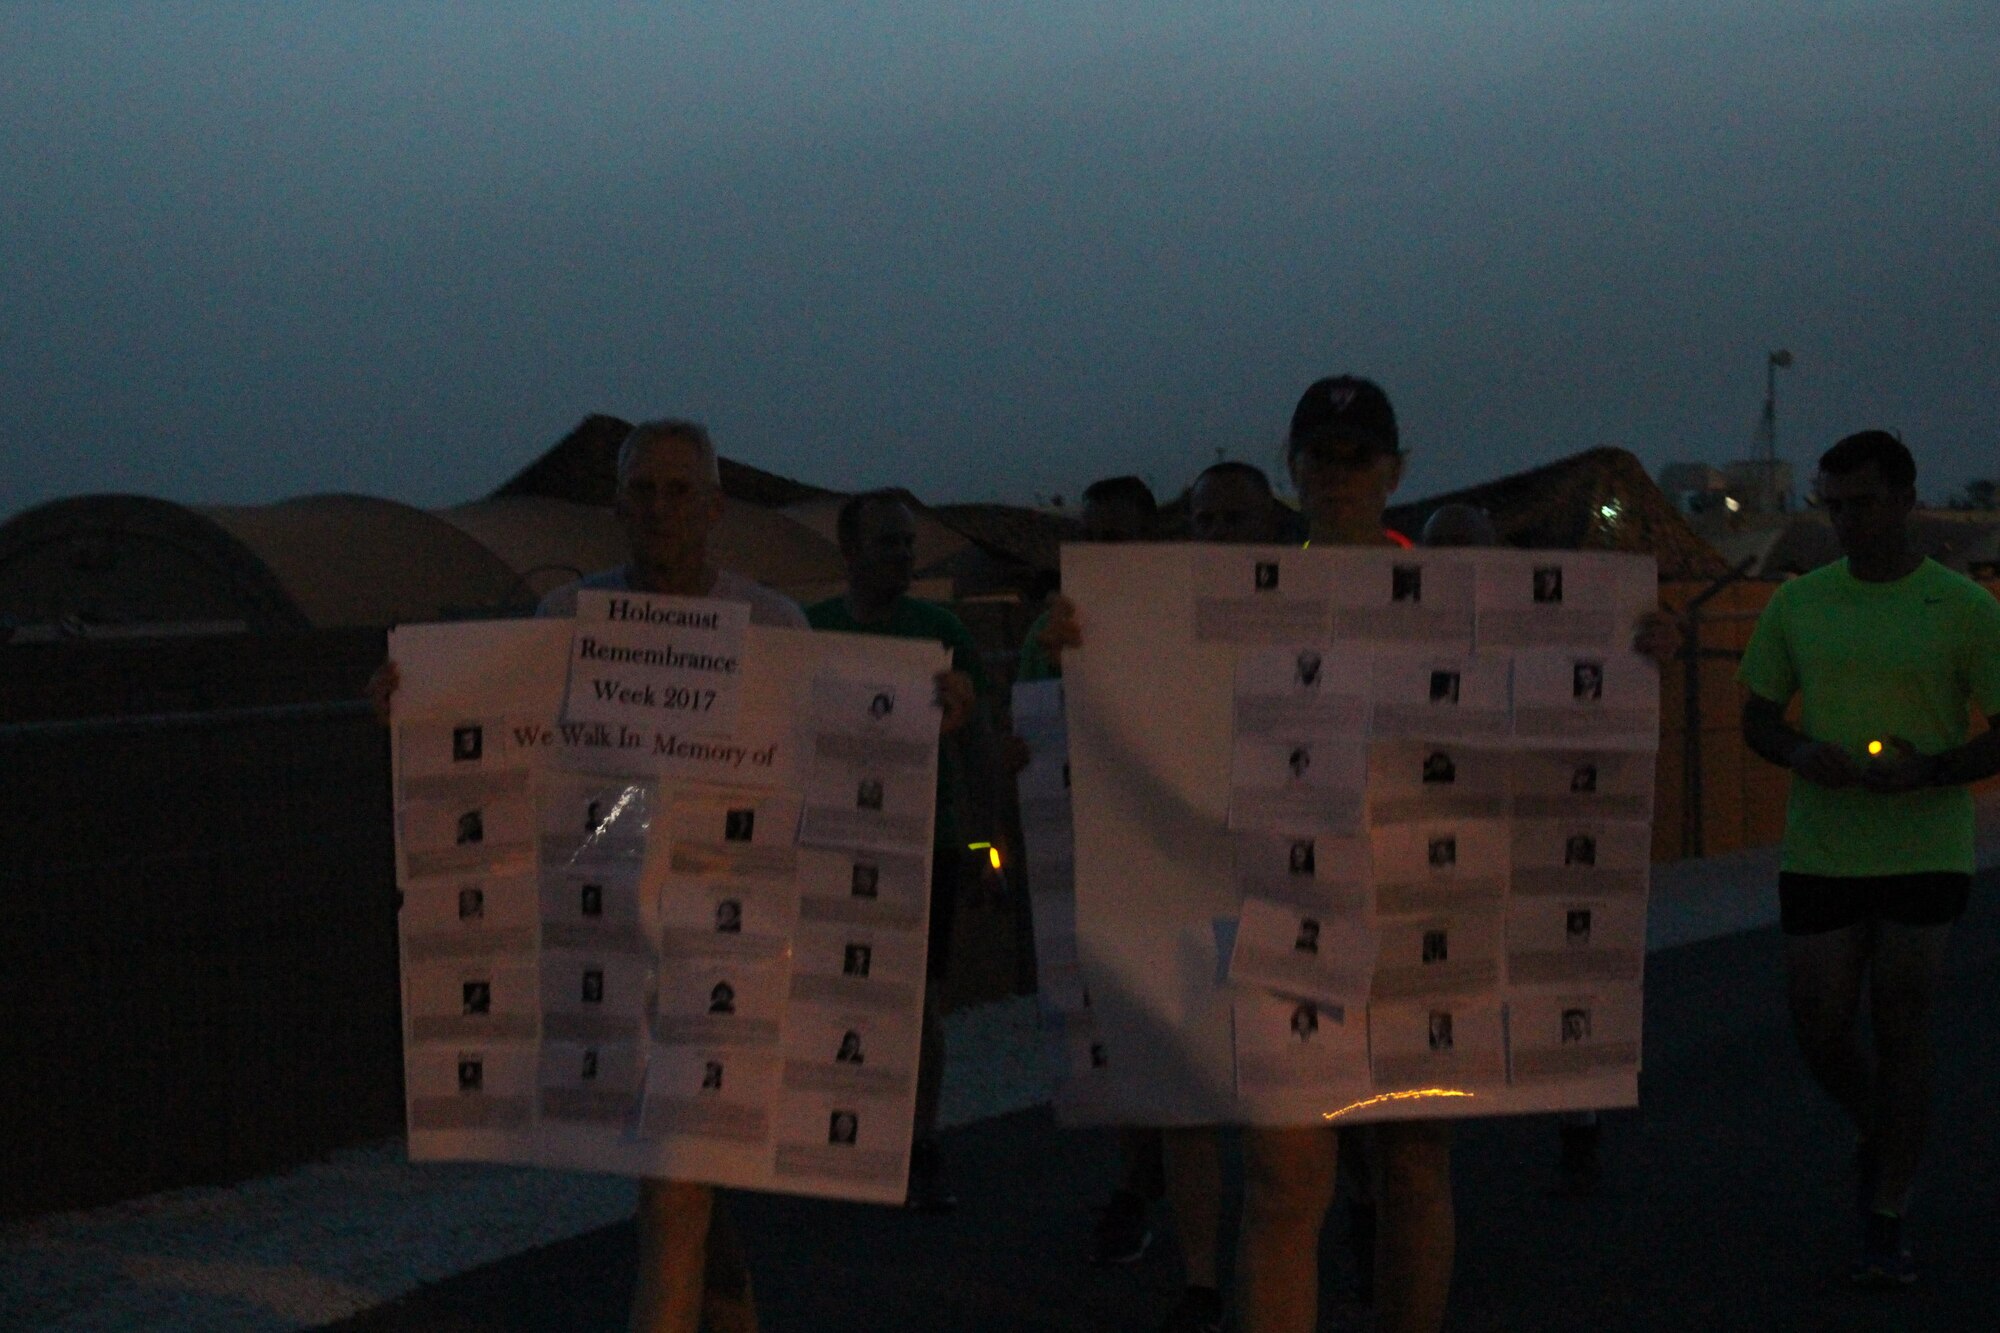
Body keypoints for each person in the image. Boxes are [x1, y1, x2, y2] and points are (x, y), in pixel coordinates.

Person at [1045, 377, 1674, 1333]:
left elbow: (1542, 718)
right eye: (1319, 456)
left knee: (1415, 1164)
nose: (1338, 474)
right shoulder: (1236, 591)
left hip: (1424, 907)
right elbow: (1154, 711)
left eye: (1358, 456)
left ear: (1396, 469)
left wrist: (1638, 650)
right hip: (1284, 909)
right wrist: (1080, 645)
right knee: (1284, 1178)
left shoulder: (1457, 597)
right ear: (1292, 467)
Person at [371, 418, 805, 1333]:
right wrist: (410, 706)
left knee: (674, 1186)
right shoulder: (567, 619)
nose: (660, 507)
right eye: (643, 489)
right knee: (680, 1179)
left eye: (680, 489)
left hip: (725, 936)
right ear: (615, 505)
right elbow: (503, 738)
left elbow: (837, 736)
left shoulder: (771, 622)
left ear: (717, 505)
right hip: (613, 932)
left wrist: (938, 709)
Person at [1738, 429, 2000, 1286]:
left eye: (1861, 503)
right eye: (1832, 503)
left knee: (1903, 1019)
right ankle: (1877, 1127)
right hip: (1823, 843)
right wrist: (1798, 752)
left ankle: (1887, 1209)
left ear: (1905, 499)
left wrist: (1931, 769)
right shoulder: (1798, 603)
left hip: (1924, 844)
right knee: (1818, 1024)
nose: (1844, 520)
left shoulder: (1963, 608)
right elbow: (1758, 717)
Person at [803, 488, 992, 1213]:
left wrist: (984, 845)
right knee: (840, 995)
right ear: (850, 551)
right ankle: (845, 1137)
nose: (905, 556)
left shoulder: (938, 630)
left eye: (910, 542)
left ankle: (921, 1141)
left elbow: (977, 743)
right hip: (834, 843)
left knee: (920, 1005)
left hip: (926, 843)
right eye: (890, 543)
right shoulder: (809, 630)